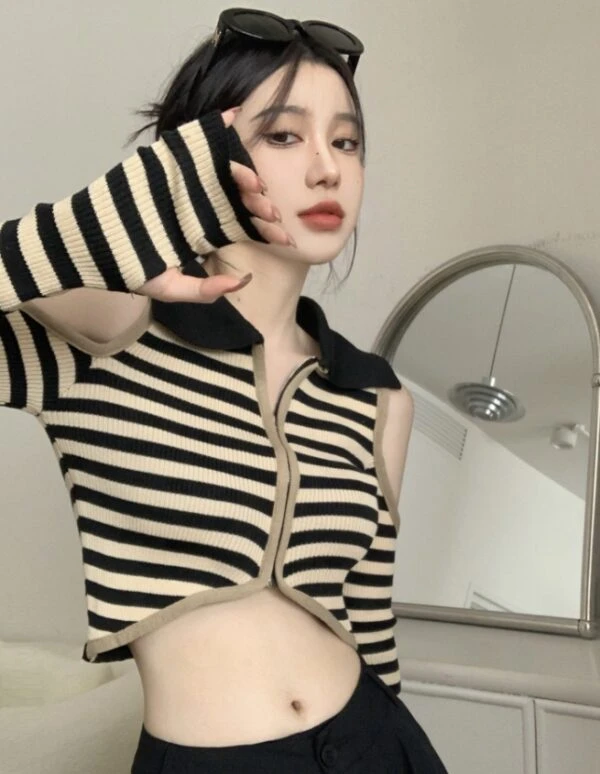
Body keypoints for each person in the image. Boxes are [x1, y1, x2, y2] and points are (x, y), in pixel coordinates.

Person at [0, 8, 448, 773]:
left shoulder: (375, 395)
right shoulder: (110, 327)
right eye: (284, 135)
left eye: (346, 142)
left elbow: (368, 623)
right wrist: (129, 209)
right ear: (200, 152)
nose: (327, 169)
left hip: (380, 741)